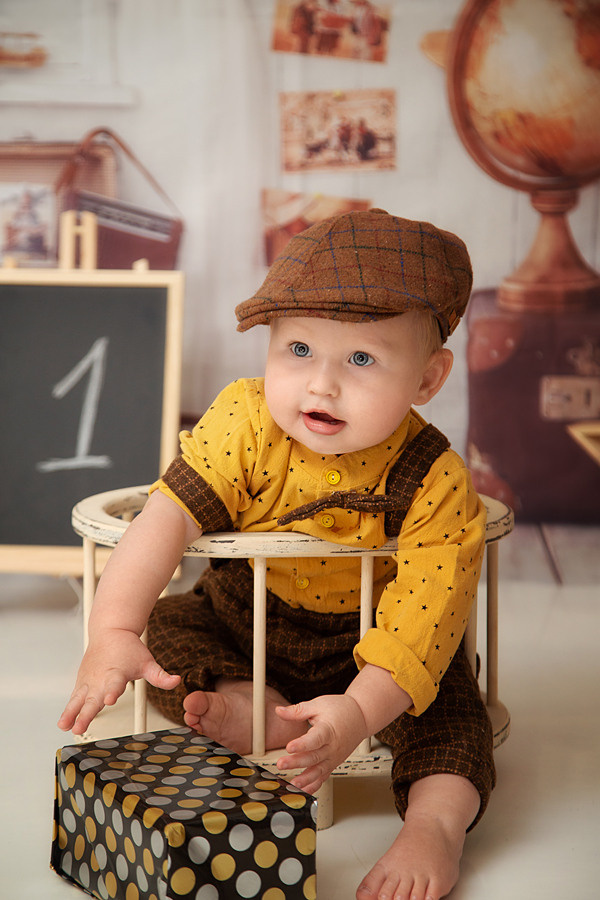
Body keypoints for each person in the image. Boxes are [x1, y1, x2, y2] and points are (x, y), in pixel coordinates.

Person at [59, 208, 495, 900]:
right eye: (297, 350)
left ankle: (433, 825)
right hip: (244, 622)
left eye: (361, 358)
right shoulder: (244, 418)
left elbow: (425, 618)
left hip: (372, 647)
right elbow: (165, 518)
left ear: (427, 380)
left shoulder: (435, 479)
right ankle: (247, 701)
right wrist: (113, 630)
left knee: (447, 708)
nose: (321, 385)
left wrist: (357, 712)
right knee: (171, 630)